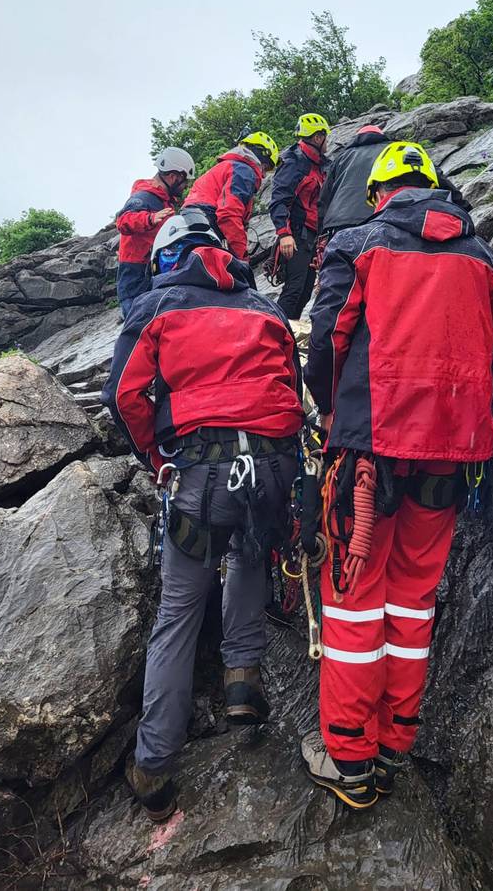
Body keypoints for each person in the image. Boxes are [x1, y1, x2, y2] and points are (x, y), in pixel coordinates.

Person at [300, 141, 493, 810]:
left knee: (355, 602)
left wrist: (336, 420)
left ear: (379, 193)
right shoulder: (479, 256)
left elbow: (327, 344)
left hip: (369, 455)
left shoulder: (359, 243)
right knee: (411, 602)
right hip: (450, 461)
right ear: (435, 184)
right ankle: (396, 741)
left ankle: (350, 757)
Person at [101, 209, 304, 822]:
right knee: (248, 554)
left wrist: (156, 453)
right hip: (269, 469)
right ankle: (242, 677)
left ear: (165, 258)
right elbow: (291, 387)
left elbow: (123, 395)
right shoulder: (264, 308)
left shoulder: (155, 309)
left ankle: (155, 763)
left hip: (197, 472)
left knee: (180, 608)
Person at [317, 124, 469, 240]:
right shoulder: (393, 151)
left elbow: (324, 198)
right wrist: (462, 205)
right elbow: (435, 176)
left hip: (340, 226)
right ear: (381, 135)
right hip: (383, 219)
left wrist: (320, 231)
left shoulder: (341, 158)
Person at [115, 147, 196, 315]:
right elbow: (123, 221)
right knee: (139, 322)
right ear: (173, 176)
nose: (185, 186)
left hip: (153, 267)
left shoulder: (164, 201)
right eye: (184, 181)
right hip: (136, 273)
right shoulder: (143, 197)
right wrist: (150, 218)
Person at [183, 132, 280, 262]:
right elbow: (228, 215)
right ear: (259, 157)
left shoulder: (225, 166)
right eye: (266, 167)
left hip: (191, 220)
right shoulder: (243, 171)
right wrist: (242, 258)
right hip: (207, 220)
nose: (263, 175)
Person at [269, 113, 329, 319]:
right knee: (294, 289)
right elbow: (279, 200)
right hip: (296, 234)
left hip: (312, 237)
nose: (327, 142)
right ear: (318, 138)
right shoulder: (294, 162)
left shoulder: (320, 165)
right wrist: (284, 234)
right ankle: (277, 332)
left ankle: (289, 336)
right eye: (326, 138)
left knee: (304, 292)